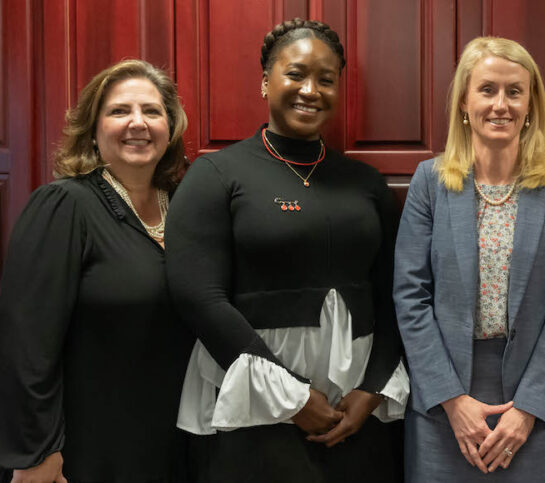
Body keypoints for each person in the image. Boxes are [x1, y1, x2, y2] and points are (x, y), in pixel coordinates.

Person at [165, 18, 408, 482]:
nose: (310, 90)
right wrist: (293, 398)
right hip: (253, 406)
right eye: (295, 74)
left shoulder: (366, 184)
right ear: (265, 81)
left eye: (326, 79)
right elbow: (197, 296)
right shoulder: (216, 175)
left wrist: (373, 389)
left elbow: (393, 294)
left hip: (353, 411)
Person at [393, 36, 545, 482]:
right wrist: (451, 399)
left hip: (535, 405)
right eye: (487, 90)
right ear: (465, 101)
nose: (501, 104)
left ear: (530, 105)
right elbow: (410, 296)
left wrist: (526, 409)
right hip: (444, 404)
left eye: (514, 91)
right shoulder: (430, 181)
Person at [0, 59, 194, 482]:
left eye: (152, 111)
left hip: (175, 444)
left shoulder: (189, 209)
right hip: (82, 452)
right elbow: (26, 344)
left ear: (170, 127)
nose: (137, 123)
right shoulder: (64, 206)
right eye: (120, 111)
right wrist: (37, 456)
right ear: (93, 127)